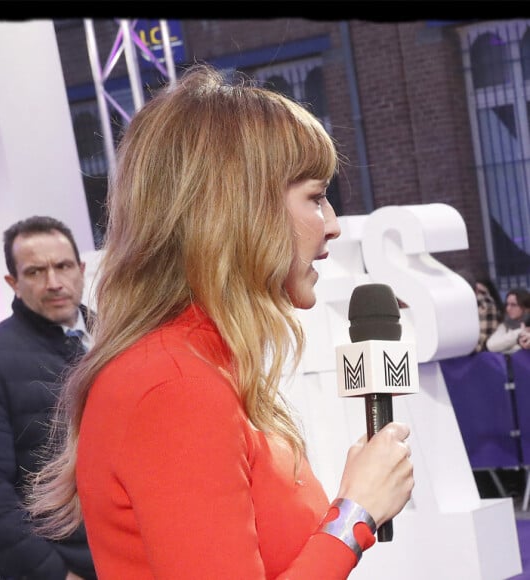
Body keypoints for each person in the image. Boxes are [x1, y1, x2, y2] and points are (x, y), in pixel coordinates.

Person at [27, 64, 414, 579]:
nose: (333, 226)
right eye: (316, 198)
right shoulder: (172, 384)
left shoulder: (199, 366)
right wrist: (355, 515)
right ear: (239, 208)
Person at [0, 216, 97, 580]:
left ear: (81, 269)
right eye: (35, 272)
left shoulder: (114, 338)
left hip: (126, 557)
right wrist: (53, 573)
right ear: (13, 283)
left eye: (62, 266)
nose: (54, 283)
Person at [486, 287, 530, 354]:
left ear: (526, 308)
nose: (508, 308)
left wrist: (505, 346)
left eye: (513, 305)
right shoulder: (505, 325)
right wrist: (519, 333)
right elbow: (491, 346)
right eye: (507, 304)